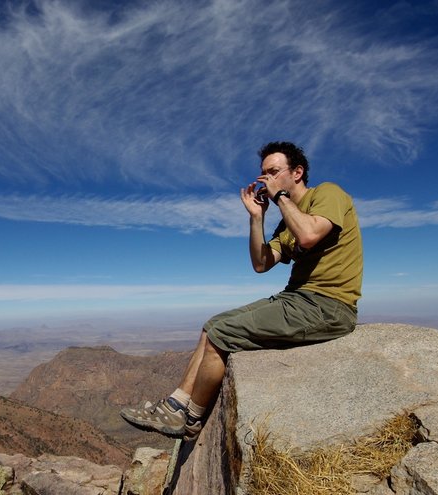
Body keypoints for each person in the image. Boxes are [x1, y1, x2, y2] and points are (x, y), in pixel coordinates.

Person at [120, 141, 363, 441]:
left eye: (273, 172)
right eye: (263, 174)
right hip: (297, 299)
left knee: (223, 335)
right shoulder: (285, 222)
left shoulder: (327, 193)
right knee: (212, 327)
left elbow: (310, 234)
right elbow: (261, 264)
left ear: (297, 172)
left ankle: (191, 420)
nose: (265, 180)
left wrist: (281, 197)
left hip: (328, 306)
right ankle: (176, 404)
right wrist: (256, 217)